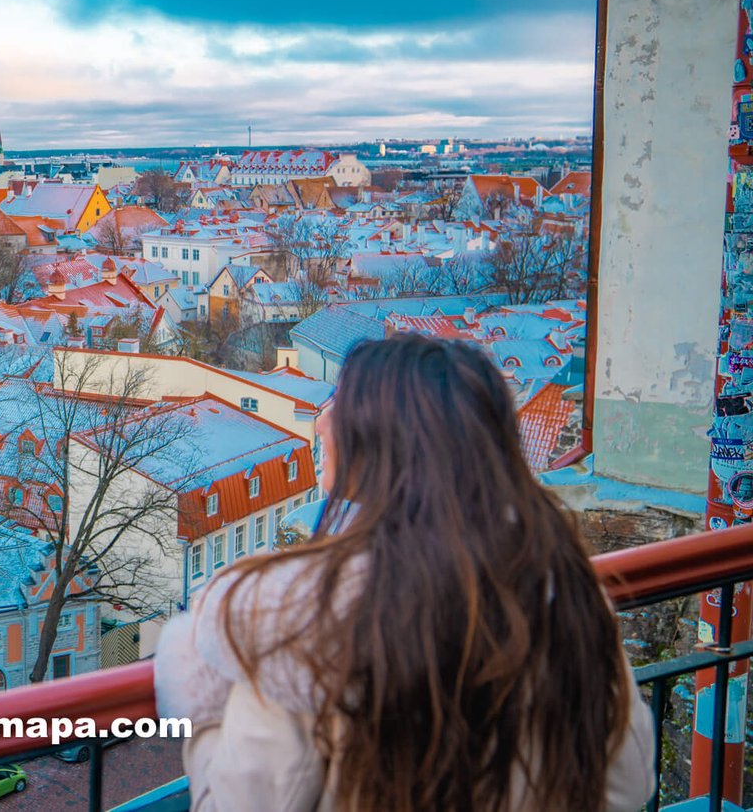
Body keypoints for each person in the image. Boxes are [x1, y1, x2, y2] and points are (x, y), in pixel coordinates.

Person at [155, 335, 654, 812]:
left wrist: (203, 709)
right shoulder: (560, 586)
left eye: (342, 404)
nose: (324, 419)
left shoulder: (303, 617)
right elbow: (629, 786)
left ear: (383, 444)